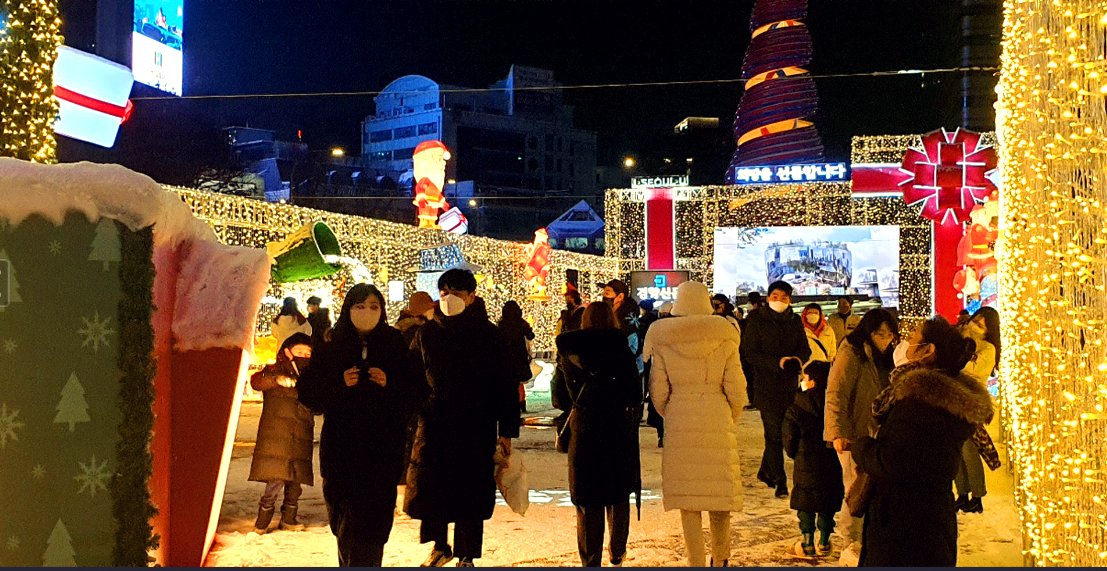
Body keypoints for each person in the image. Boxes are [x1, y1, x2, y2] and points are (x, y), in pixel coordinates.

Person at [852, 316, 992, 567]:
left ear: (928, 351)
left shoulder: (920, 402)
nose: (905, 343)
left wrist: (862, 448)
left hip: (904, 526)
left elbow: (893, 462)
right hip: (928, 522)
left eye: (913, 337)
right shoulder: (940, 398)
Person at [296, 284, 417, 566]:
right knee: (345, 528)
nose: (367, 313)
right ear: (348, 309)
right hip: (342, 455)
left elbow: (416, 393)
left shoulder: (394, 344)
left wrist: (389, 384)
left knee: (373, 531)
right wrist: (339, 385)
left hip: (382, 454)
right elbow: (309, 395)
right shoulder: (333, 346)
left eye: (374, 306)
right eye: (360, 306)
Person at [405, 269, 519, 568]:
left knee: (470, 492)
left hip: (475, 425)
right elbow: (411, 378)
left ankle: (467, 554)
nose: (449, 298)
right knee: (435, 490)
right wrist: (420, 408)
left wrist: (506, 430)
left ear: (471, 297)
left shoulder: (489, 335)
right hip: (435, 424)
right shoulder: (426, 334)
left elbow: (504, 385)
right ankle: (440, 546)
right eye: (444, 292)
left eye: (456, 293)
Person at [644, 281, 746, 567]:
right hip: (717, 412)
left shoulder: (663, 337)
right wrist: (729, 413)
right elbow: (736, 387)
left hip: (679, 415)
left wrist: (672, 412)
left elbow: (658, 391)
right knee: (719, 495)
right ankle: (722, 556)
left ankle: (695, 560)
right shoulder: (726, 334)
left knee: (688, 498)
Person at [553, 302, 642, 567]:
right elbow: (635, 394)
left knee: (587, 498)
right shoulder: (622, 350)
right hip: (616, 427)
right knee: (618, 491)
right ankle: (617, 550)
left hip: (585, 428)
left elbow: (558, 397)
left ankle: (590, 559)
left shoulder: (569, 352)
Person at [822, 308, 898, 564]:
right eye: (879, 333)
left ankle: (867, 540)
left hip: (879, 435)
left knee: (873, 489)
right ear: (868, 331)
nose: (884, 339)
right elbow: (836, 392)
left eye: (889, 334)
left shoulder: (889, 358)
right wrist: (837, 432)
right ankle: (850, 544)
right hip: (854, 434)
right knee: (855, 490)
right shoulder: (852, 351)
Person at [740, 280, 810, 499]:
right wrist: (777, 362)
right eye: (775, 297)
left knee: (788, 433)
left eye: (785, 297)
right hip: (766, 386)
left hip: (791, 386)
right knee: (774, 436)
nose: (779, 301)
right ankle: (780, 480)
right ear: (768, 298)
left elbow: (804, 349)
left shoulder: (794, 321)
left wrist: (796, 360)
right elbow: (750, 353)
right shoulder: (757, 320)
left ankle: (766, 470)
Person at [249, 333, 316, 534]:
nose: (304, 356)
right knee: (274, 481)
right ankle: (263, 520)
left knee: (296, 483)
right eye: (299, 352)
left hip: (301, 435)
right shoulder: (274, 370)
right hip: (277, 437)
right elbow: (257, 381)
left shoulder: (312, 374)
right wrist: (277, 380)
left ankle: (289, 518)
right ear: (287, 352)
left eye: (307, 353)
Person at [782, 360, 842, 558]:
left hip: (805, 467)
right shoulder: (835, 406)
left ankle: (807, 542)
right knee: (827, 505)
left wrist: (795, 454)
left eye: (805, 378)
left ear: (812, 382)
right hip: (832, 465)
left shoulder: (796, 408)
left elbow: (789, 440)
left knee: (806, 505)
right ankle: (824, 541)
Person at [954, 306, 1001, 514]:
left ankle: (977, 496)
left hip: (970, 401)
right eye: (976, 320)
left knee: (969, 450)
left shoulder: (988, 348)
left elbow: (973, 371)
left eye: (982, 324)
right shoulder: (960, 338)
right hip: (953, 397)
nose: (976, 326)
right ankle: (962, 493)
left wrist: (966, 351)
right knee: (956, 451)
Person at [498, 300, 536, 415]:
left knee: (508, 382)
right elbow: (531, 335)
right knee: (519, 382)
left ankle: (509, 404)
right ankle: (521, 402)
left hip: (505, 356)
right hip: (519, 356)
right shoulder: (521, 324)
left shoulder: (502, 324)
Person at [603, 279, 642, 373]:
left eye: (607, 294)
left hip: (624, 374)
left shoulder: (626, 323)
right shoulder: (615, 318)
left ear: (620, 296)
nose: (603, 297)